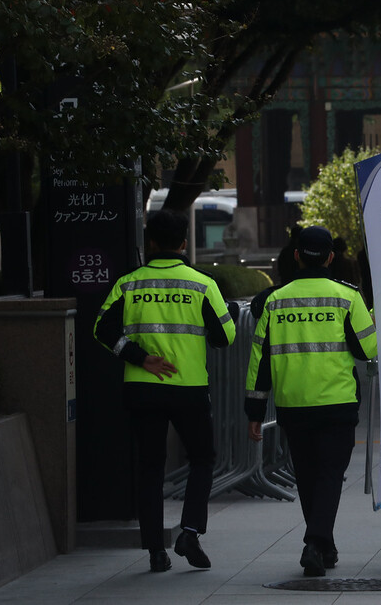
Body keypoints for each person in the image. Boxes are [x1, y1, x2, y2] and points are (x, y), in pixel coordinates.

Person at [94, 210, 236, 572]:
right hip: (188, 388)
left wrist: (141, 358)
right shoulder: (201, 283)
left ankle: (156, 551)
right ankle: (189, 531)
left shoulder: (129, 283)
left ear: (151, 244)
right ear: (184, 244)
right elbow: (226, 336)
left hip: (142, 387)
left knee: (150, 466)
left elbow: (101, 328)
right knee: (203, 459)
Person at [245, 225, 377, 577]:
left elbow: (260, 360)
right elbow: (368, 350)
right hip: (337, 402)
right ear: (332, 257)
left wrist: (255, 410)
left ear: (297, 256)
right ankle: (316, 541)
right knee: (331, 473)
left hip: (293, 403)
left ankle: (324, 545)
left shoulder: (275, 300)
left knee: (307, 474)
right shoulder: (347, 297)